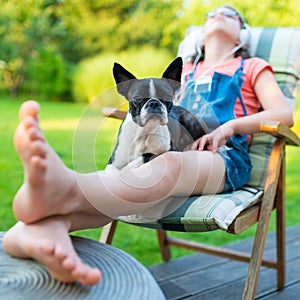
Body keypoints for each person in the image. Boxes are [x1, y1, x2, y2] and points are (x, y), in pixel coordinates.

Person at [3, 6, 293, 286]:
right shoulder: (186, 69)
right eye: (211, 14)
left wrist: (231, 126)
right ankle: (37, 230)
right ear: (200, 34)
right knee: (135, 184)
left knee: (167, 166)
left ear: (241, 33)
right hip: (168, 150)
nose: (219, 14)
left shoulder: (252, 66)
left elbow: (284, 115)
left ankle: (68, 186)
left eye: (230, 14)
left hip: (224, 155)